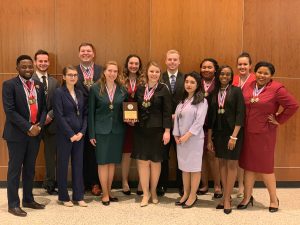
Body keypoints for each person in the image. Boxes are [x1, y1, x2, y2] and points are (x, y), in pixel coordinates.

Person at [238, 61, 298, 213]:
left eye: (266, 73)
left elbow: (293, 105)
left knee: (266, 169)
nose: (262, 75)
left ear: (271, 76)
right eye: (259, 72)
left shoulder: (277, 88)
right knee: (248, 167)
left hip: (265, 134)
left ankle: (273, 199)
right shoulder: (249, 86)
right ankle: (247, 197)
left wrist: (279, 119)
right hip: (248, 133)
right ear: (255, 72)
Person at [2, 55, 47, 217]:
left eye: (30, 66)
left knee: (30, 169)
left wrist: (39, 126)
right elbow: (10, 111)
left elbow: (43, 109)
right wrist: (28, 127)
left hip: (35, 134)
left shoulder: (39, 85)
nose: (27, 69)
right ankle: (13, 204)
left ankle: (28, 199)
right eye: (24, 67)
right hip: (17, 135)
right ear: (17, 68)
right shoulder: (9, 85)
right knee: (15, 170)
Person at [131, 61, 172, 207]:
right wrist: (131, 119)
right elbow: (133, 108)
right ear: (146, 73)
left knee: (155, 162)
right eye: (151, 71)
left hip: (158, 131)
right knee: (142, 162)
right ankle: (146, 193)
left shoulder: (164, 89)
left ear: (159, 74)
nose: (154, 74)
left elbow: (167, 113)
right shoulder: (140, 89)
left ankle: (154, 191)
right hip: (141, 130)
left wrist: (167, 131)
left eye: (157, 72)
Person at [207, 65, 245, 214]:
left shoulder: (236, 91)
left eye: (228, 74)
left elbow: (240, 114)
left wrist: (234, 136)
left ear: (231, 76)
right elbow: (210, 119)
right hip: (219, 134)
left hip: (233, 134)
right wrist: (209, 139)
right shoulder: (214, 93)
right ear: (218, 75)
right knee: (221, 163)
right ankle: (224, 195)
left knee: (231, 165)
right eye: (222, 73)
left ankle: (228, 199)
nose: (224, 76)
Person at [88, 61, 127, 206]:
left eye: (115, 71)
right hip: (101, 131)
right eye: (110, 70)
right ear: (104, 72)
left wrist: (130, 119)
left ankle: (109, 191)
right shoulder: (95, 88)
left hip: (117, 131)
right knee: (103, 163)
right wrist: (91, 134)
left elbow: (126, 110)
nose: (112, 73)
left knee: (112, 163)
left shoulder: (122, 89)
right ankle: (104, 193)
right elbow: (90, 112)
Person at [53, 65, 87, 207]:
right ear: (64, 77)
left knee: (78, 166)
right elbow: (58, 116)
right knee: (62, 165)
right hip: (65, 135)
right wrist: (70, 134)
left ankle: (78, 196)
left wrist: (82, 132)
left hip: (79, 135)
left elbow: (85, 114)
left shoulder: (80, 93)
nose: (73, 77)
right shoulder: (59, 93)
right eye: (70, 75)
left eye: (75, 75)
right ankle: (63, 196)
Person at [173, 72, 208, 209]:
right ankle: (186, 193)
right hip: (181, 140)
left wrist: (187, 135)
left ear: (198, 85)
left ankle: (193, 195)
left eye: (192, 82)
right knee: (184, 168)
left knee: (194, 168)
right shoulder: (182, 101)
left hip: (194, 140)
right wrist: (176, 135)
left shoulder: (202, 101)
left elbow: (199, 122)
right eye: (187, 81)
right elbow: (176, 118)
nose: (188, 84)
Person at [76, 42, 102, 196]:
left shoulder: (100, 70)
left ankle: (94, 182)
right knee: (80, 151)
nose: (86, 53)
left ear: (93, 53)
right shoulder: (73, 71)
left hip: (96, 117)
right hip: (77, 117)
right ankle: (81, 183)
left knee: (94, 151)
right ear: (79, 54)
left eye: (88, 51)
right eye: (83, 51)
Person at [32, 49, 60, 195]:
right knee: (31, 154)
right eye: (40, 61)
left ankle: (50, 184)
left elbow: (58, 102)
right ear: (35, 62)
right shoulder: (29, 80)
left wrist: (50, 115)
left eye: (45, 61)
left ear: (49, 62)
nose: (43, 63)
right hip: (34, 125)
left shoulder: (55, 82)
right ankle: (28, 183)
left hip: (51, 124)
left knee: (50, 156)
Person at [158, 49, 184, 196]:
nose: (172, 62)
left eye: (175, 59)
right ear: (165, 61)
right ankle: (162, 184)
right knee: (163, 156)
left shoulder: (185, 78)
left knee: (181, 156)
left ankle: (182, 185)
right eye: (170, 59)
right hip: (163, 125)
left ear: (179, 61)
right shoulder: (159, 77)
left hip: (182, 125)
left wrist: (178, 114)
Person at [198, 58, 223, 198]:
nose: (206, 70)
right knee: (200, 156)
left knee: (212, 155)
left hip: (213, 125)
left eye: (209, 67)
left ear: (215, 69)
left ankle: (218, 185)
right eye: (204, 67)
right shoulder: (196, 82)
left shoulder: (219, 83)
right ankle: (204, 184)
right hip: (197, 126)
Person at [232, 52, 256, 198]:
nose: (242, 66)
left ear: (250, 66)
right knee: (237, 156)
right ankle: (238, 184)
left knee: (247, 156)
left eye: (245, 64)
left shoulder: (255, 80)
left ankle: (244, 187)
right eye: (240, 64)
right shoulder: (233, 79)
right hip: (234, 124)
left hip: (249, 123)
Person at [121, 54, 144, 195]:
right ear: (127, 64)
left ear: (140, 66)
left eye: (136, 63)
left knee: (142, 152)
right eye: (131, 63)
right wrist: (126, 118)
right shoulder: (121, 80)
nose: (134, 66)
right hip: (125, 122)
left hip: (142, 122)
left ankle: (142, 182)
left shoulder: (144, 80)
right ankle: (124, 181)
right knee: (127, 152)